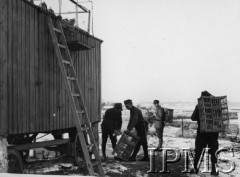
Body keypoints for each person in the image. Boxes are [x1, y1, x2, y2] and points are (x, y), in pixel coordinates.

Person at [191, 91, 219, 176]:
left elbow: (193, 118)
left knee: (198, 151)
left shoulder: (199, 106)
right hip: (213, 133)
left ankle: (195, 168)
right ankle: (214, 171)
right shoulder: (215, 106)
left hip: (202, 133)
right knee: (213, 152)